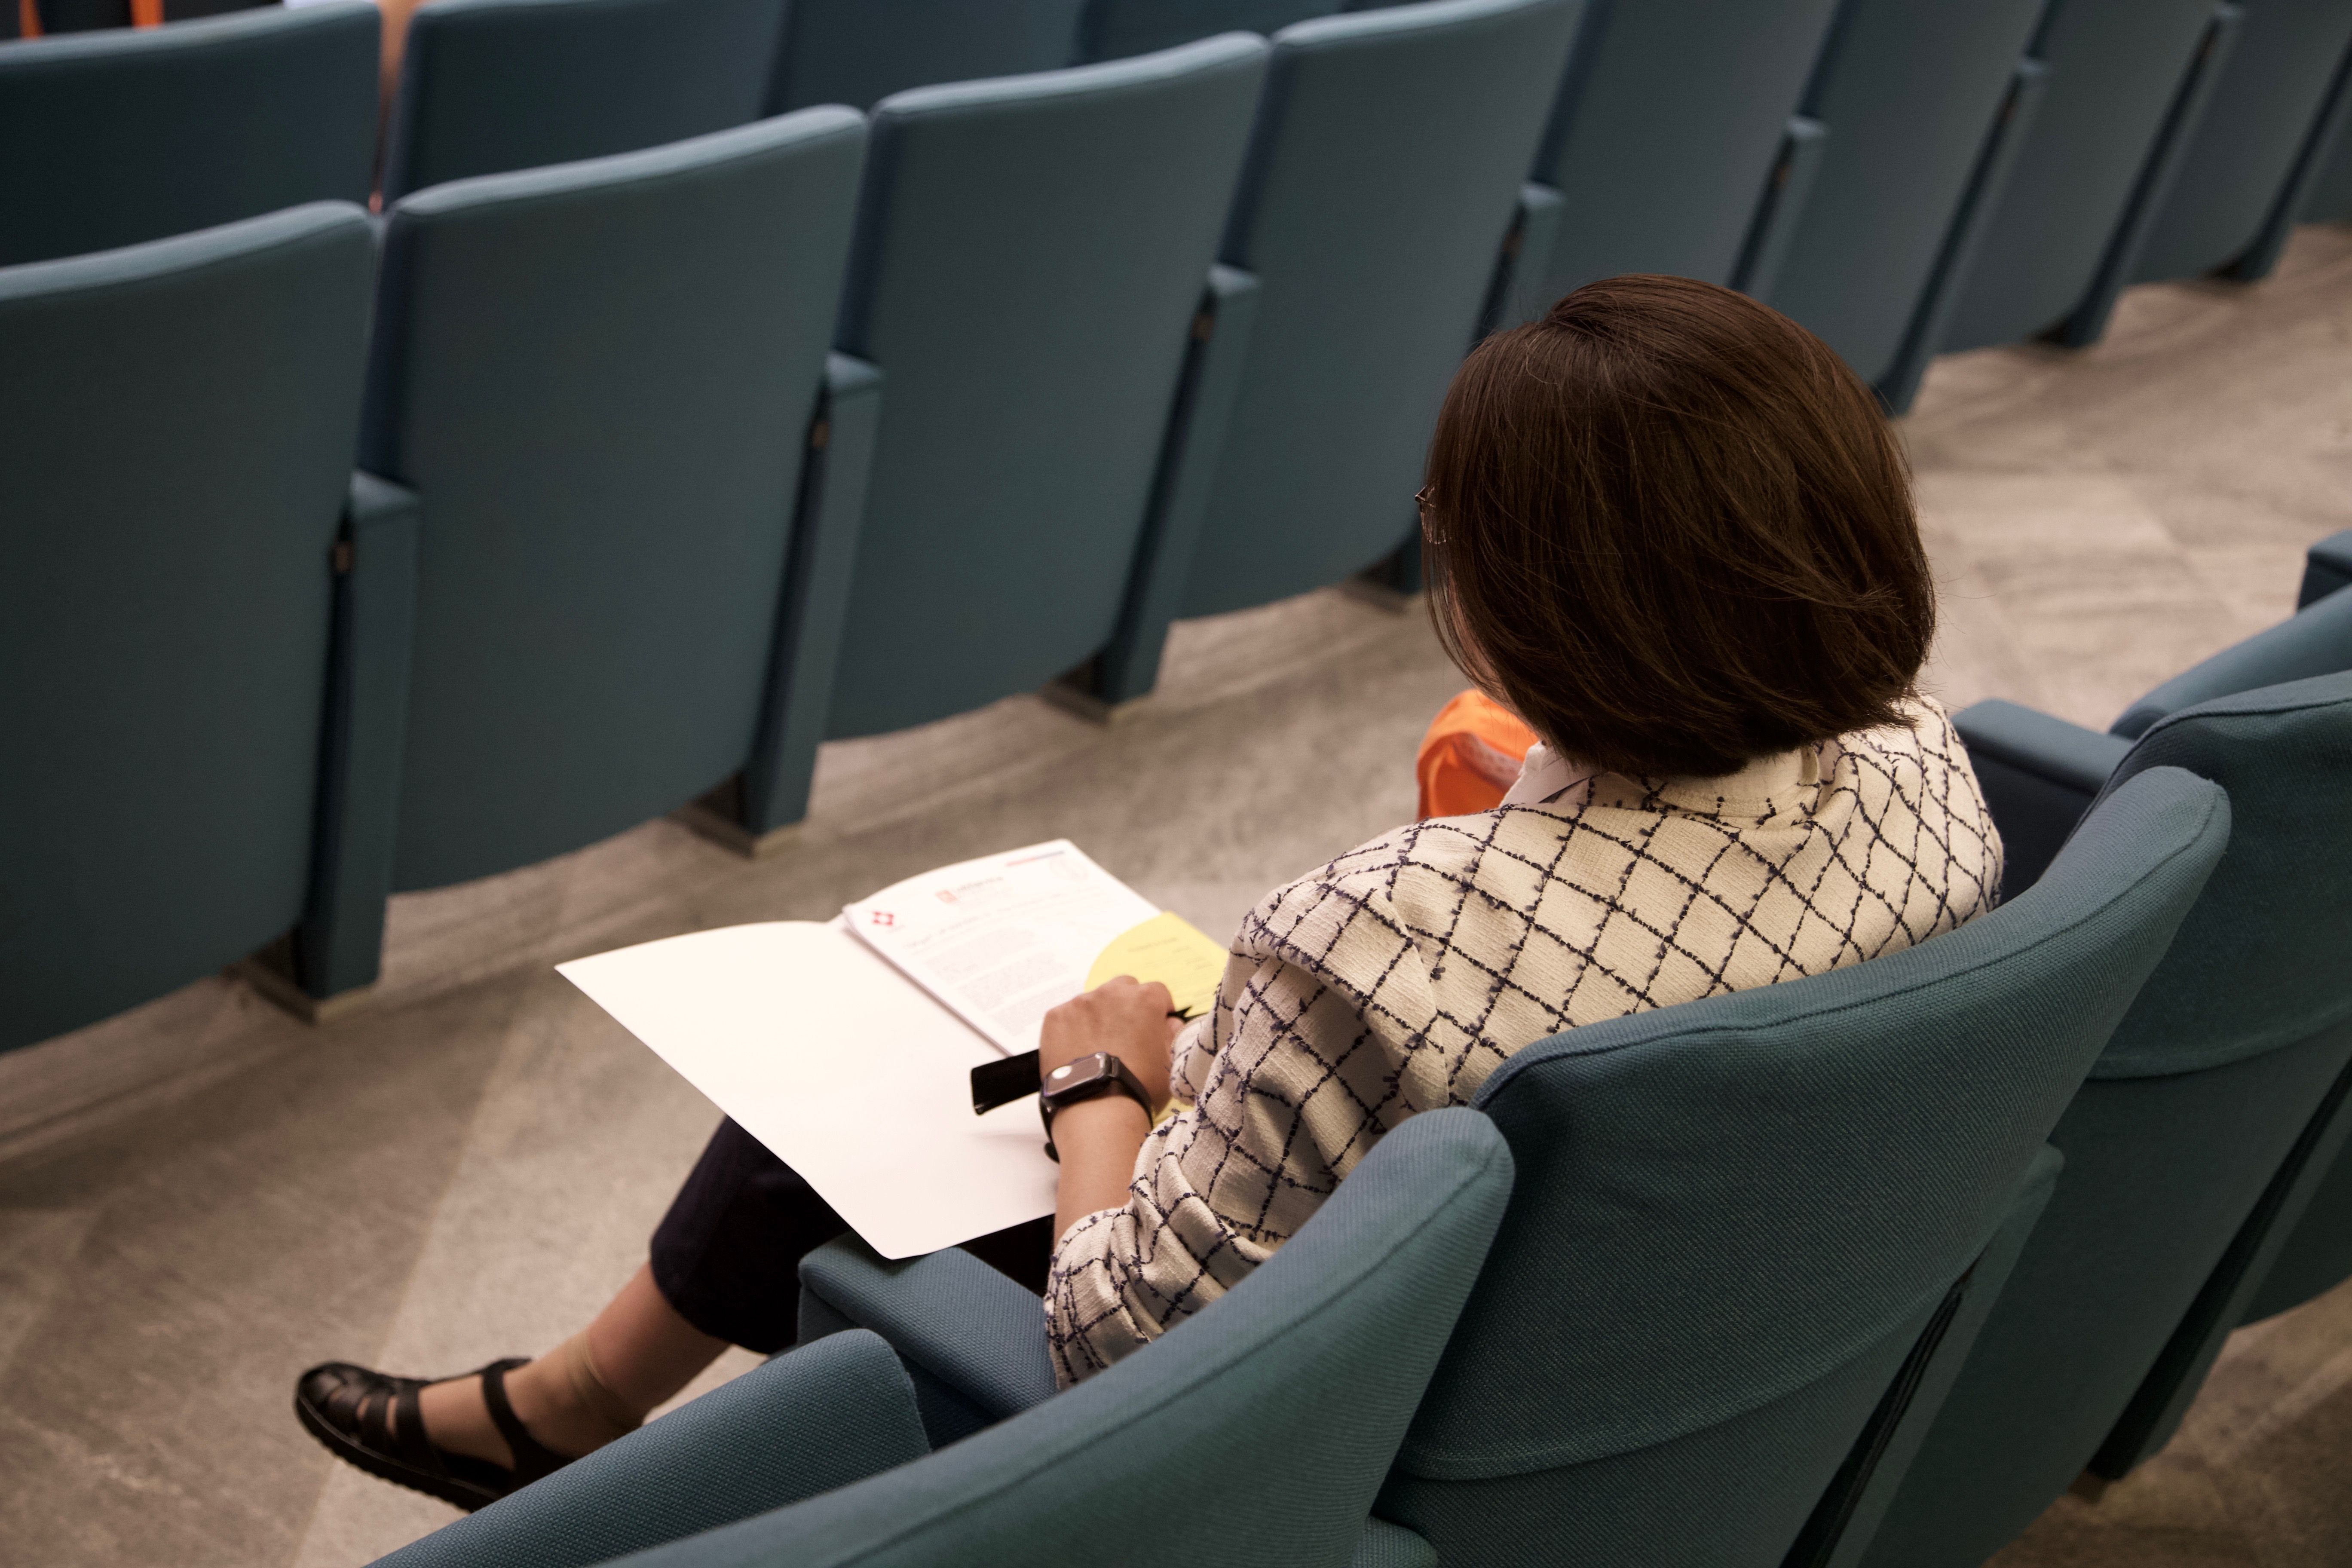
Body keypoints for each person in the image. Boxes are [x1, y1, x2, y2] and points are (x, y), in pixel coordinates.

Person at [294, 274, 2003, 1508]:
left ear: (1537, 607)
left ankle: (572, 1416)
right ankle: (569, 1409)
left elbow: (1115, 1344)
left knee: (901, 1082)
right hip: (1657, 1348)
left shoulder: (1379, 935)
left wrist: (1102, 1091)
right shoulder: (1931, 771)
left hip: (1348, 1404)